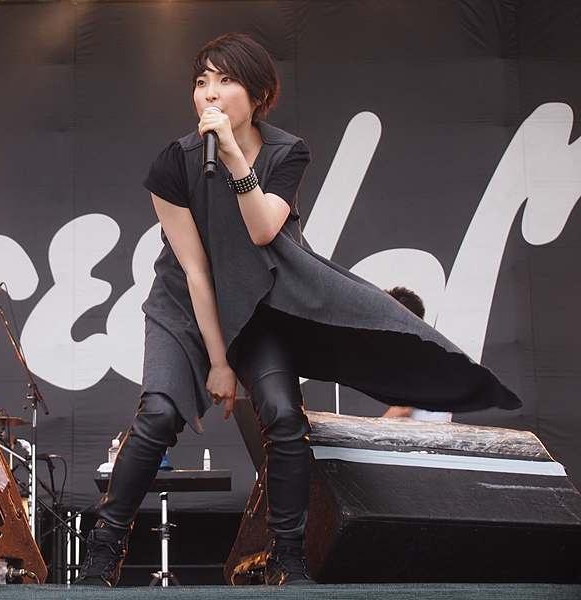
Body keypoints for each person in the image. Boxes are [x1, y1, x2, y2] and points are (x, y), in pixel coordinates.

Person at [74, 33, 521, 587]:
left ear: (259, 95)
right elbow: (196, 271)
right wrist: (219, 362)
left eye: (225, 80)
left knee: (286, 417)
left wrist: (233, 156)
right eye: (201, 81)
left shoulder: (288, 152)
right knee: (159, 415)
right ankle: (105, 550)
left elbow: (263, 229)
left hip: (261, 301)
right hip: (186, 304)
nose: (209, 93)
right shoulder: (174, 163)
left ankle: (287, 556)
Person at [381, 287, 452, 421]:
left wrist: (373, 426)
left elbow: (403, 408)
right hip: (430, 429)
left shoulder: (412, 353)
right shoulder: (428, 347)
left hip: (424, 431)